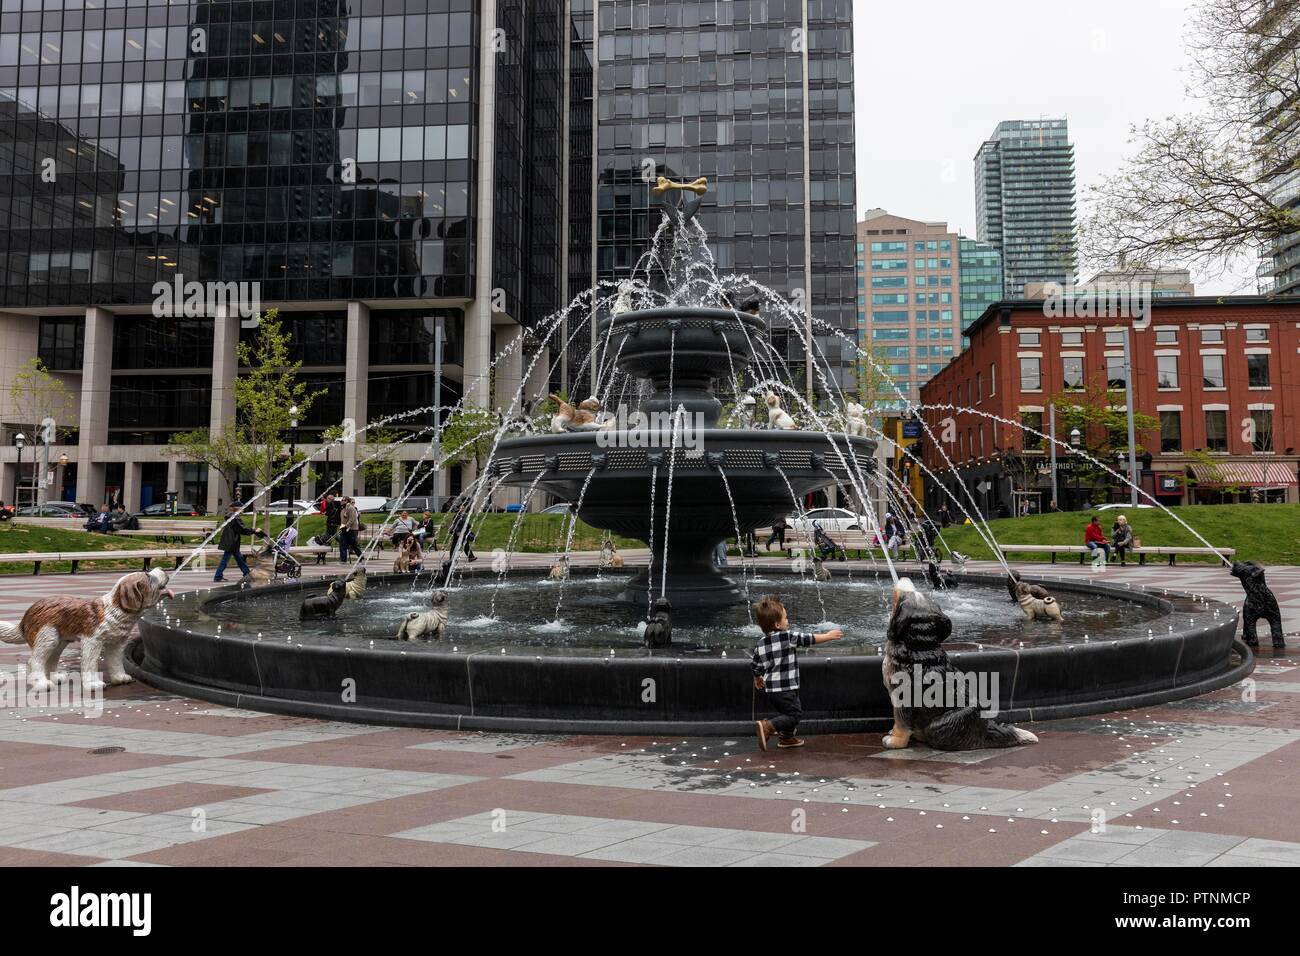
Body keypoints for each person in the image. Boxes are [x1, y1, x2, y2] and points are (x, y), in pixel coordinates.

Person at [750, 595, 843, 750]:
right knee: (794, 715)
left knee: (787, 712)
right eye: (786, 618)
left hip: (772, 690)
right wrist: (828, 636)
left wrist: (757, 677)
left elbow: (755, 664)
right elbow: (808, 639)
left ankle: (787, 738)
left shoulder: (760, 644)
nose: (788, 621)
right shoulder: (788, 636)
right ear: (777, 624)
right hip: (786, 688)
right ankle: (768, 726)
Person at [214, 503, 266, 582]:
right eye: (242, 508)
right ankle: (218, 576)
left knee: (239, 559)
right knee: (226, 560)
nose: (243, 509)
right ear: (237, 508)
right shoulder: (235, 517)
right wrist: (254, 530)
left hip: (230, 541)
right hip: (232, 542)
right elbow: (242, 529)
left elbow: (240, 528)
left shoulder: (231, 516)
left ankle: (247, 574)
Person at [339, 497, 360, 563]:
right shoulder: (343, 509)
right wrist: (342, 526)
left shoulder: (351, 508)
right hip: (344, 529)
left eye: (343, 500)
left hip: (352, 529)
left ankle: (361, 557)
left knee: (354, 545)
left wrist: (347, 526)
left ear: (347, 501)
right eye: (341, 500)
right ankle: (343, 560)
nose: (342, 501)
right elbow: (343, 519)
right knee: (342, 544)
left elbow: (352, 518)